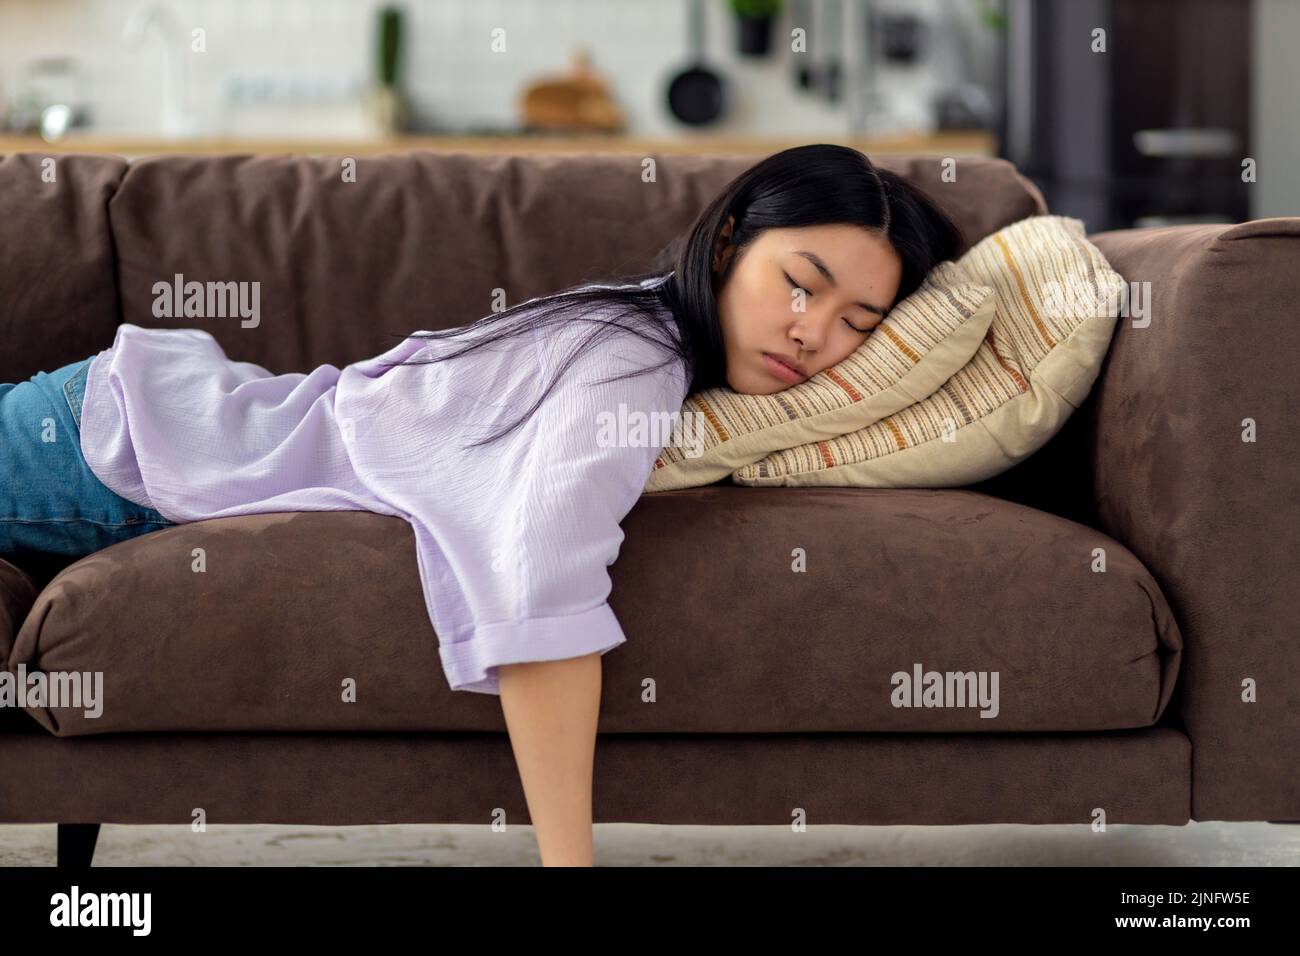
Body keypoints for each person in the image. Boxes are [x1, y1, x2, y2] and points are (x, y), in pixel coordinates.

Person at [0, 144, 962, 866]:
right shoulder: (630, 361)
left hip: (152, 411)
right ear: (726, 246)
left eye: (857, 328)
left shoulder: (641, 333)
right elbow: (542, 585)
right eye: (800, 285)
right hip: (114, 455)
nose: (813, 335)